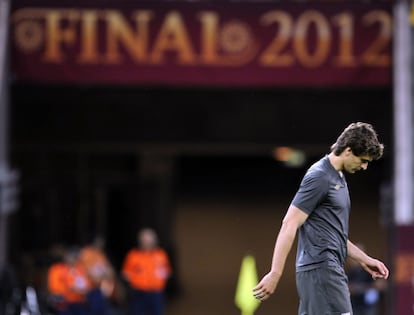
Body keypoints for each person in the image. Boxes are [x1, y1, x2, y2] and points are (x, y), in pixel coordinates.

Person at [253, 122, 389, 314]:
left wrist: (364, 259)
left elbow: (335, 234)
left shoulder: (338, 178)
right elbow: (289, 223)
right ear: (348, 150)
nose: (365, 167)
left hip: (325, 269)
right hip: (321, 270)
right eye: (363, 160)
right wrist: (275, 273)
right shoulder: (320, 177)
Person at [122, 228, 171, 315]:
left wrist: (160, 277)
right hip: (139, 292)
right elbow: (126, 273)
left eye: (148, 240)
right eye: (144, 240)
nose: (146, 243)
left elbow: (167, 271)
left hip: (156, 292)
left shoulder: (160, 254)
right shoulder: (133, 255)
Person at [346, 243, 386, 315]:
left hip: (367, 305)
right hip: (354, 304)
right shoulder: (349, 272)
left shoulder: (368, 270)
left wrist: (360, 288)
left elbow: (379, 285)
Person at [79, 236, 114, 315]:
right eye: (99, 242)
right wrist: (102, 275)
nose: (101, 245)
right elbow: (87, 271)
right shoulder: (86, 253)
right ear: (94, 242)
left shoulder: (101, 254)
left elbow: (110, 271)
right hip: (87, 289)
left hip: (98, 289)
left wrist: (104, 274)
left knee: (103, 310)